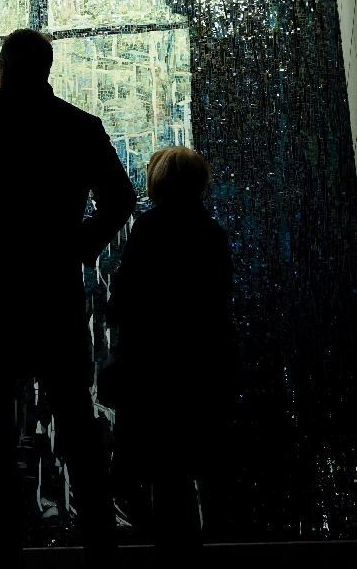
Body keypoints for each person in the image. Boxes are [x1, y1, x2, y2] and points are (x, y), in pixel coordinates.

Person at [0, 29, 136, 569]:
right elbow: (121, 198)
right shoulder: (80, 126)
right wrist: (78, 247)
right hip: (52, 291)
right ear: (47, 69)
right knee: (75, 425)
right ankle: (101, 550)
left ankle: (3, 555)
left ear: (3, 67)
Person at [103, 145, 234, 566]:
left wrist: (120, 283)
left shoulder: (150, 227)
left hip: (151, 368)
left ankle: (169, 559)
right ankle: (188, 556)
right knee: (184, 468)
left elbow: (126, 304)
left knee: (161, 472)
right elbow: (218, 306)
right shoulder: (211, 233)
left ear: (158, 181)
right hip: (197, 369)